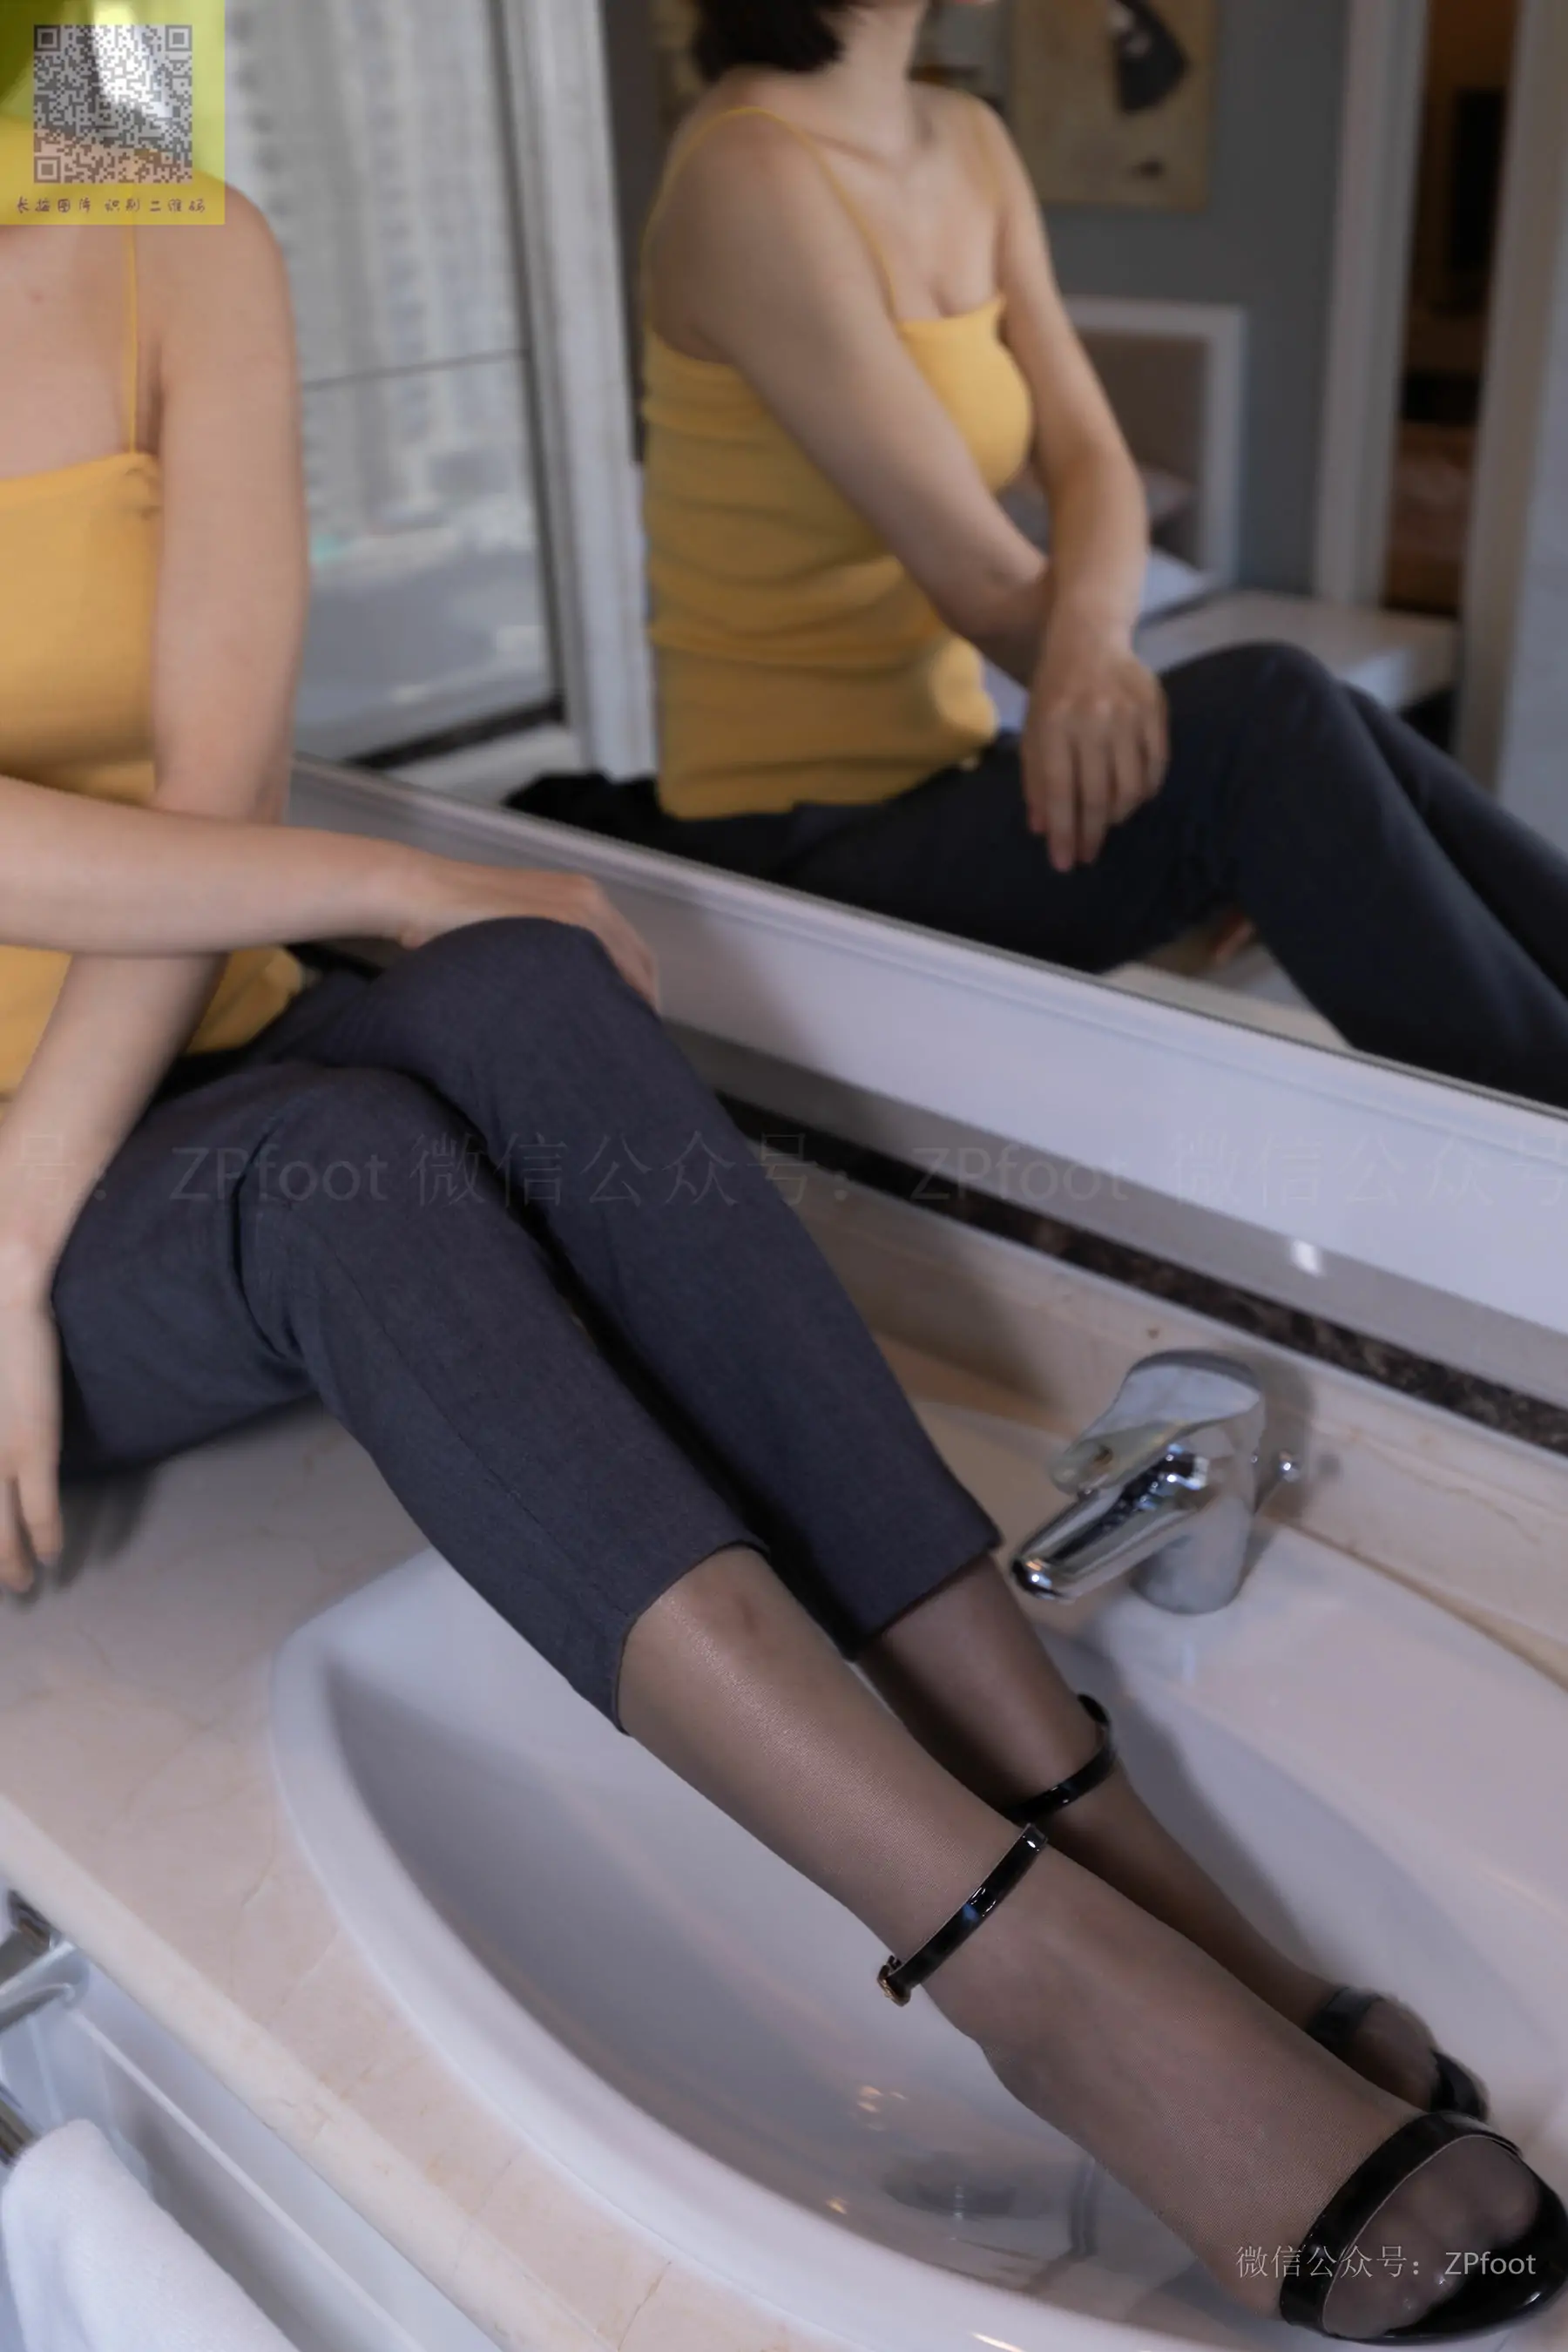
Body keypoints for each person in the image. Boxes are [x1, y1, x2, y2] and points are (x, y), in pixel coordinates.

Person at [0, 103, 1562, 2348]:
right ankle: (1026, 1971)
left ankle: (1095, 1830)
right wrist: (45, 1206)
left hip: (178, 1053)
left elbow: (213, 767)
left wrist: (382, 946)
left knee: (521, 988)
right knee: (352, 1167)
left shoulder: (157, 197)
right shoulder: (738, 173)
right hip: (74, 1191)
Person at [531, 0, 1568, 1118]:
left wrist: (1101, 652)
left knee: (1309, 718)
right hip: (790, 847)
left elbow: (1092, 458)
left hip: (945, 774)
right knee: (1267, 725)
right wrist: (1217, 784)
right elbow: (982, 582)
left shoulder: (968, 137)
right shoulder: (748, 175)